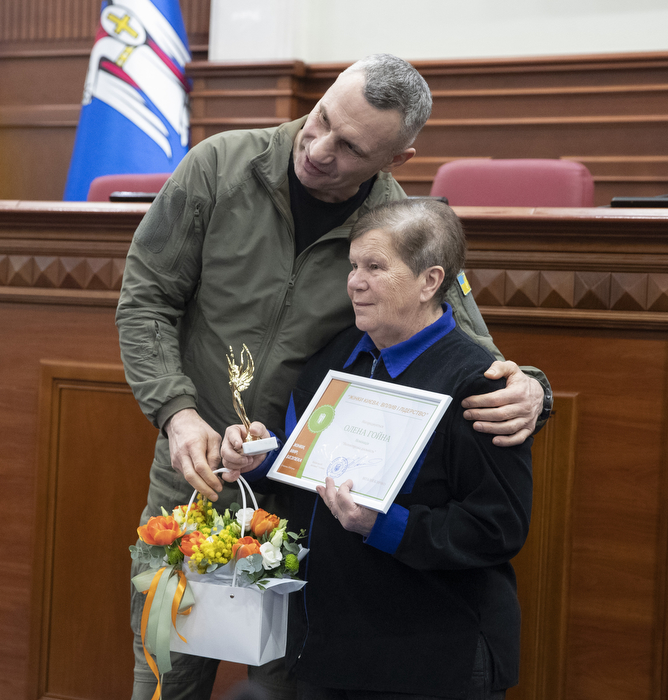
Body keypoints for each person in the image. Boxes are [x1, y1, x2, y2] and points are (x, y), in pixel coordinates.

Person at [116, 54, 549, 700]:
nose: (318, 149)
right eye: (320, 120)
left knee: (283, 687)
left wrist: (533, 389)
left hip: (300, 504)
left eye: (349, 148)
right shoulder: (219, 167)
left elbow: (470, 346)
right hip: (196, 472)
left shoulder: (395, 229)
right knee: (166, 676)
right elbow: (145, 299)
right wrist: (178, 413)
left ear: (394, 161)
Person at [221, 199, 532, 700]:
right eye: (353, 266)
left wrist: (380, 525)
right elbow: (305, 468)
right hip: (327, 653)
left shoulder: (479, 386)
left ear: (430, 281)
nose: (355, 282)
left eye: (375, 267)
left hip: (429, 662)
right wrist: (260, 460)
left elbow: (498, 527)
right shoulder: (332, 358)